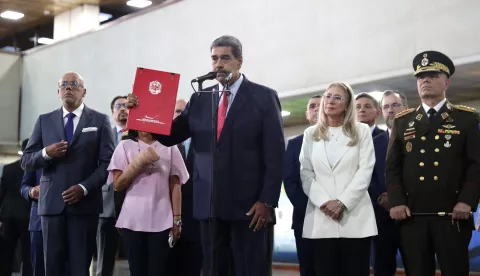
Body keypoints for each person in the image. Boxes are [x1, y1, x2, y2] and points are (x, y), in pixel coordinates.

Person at [127, 35, 285, 276]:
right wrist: (142, 110)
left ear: (239, 61)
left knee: (249, 270)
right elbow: (170, 135)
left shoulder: (263, 97)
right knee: (213, 270)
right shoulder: (201, 98)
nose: (218, 64)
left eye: (225, 58)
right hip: (209, 206)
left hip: (251, 208)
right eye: (214, 59)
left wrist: (267, 201)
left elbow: (275, 154)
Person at [386, 50, 480, 276]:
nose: (425, 80)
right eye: (420, 77)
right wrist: (396, 202)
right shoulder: (403, 121)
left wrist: (467, 201)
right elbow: (392, 167)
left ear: (446, 82)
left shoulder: (466, 118)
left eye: (433, 75)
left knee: (455, 270)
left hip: (453, 214)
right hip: (412, 216)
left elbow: (476, 164)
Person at [20, 72, 115, 276]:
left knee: (79, 268)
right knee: (51, 268)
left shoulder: (99, 120)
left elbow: (108, 164)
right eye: (64, 85)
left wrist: (84, 187)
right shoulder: (44, 121)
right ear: (58, 91)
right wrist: (46, 153)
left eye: (74, 84)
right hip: (51, 206)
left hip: (84, 206)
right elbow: (26, 161)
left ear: (84, 91)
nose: (68, 88)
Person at [299, 82, 377, 276]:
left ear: (347, 104)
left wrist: (342, 202)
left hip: (355, 217)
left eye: (337, 97)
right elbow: (306, 173)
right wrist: (325, 202)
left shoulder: (362, 131)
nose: (330, 101)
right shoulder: (310, 133)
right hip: (321, 217)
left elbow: (365, 170)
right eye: (328, 96)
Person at [108, 130, 188, 276]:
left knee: (158, 270)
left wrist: (177, 219)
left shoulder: (170, 146)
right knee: (137, 270)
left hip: (162, 220)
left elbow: (175, 185)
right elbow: (118, 185)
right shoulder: (124, 146)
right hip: (132, 220)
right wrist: (140, 162)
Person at [369, 90, 408, 276]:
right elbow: (367, 176)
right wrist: (382, 196)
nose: (390, 110)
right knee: (382, 268)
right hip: (382, 218)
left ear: (406, 108)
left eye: (395, 105)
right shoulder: (372, 144)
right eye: (385, 107)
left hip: (413, 216)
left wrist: (399, 198)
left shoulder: (419, 139)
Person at [283, 95, 321, 276]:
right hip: (305, 218)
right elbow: (290, 181)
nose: (316, 109)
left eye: (320, 106)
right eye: (312, 106)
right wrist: (311, 210)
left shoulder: (344, 140)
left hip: (338, 218)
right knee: (308, 268)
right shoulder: (294, 143)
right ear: (307, 114)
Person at [167, 99, 203, 276]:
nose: (179, 117)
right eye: (176, 112)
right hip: (165, 219)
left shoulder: (203, 142)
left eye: (183, 113)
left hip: (196, 220)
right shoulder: (162, 145)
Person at [96, 95, 129, 276]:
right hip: (106, 203)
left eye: (126, 106)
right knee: (104, 257)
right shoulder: (103, 134)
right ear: (112, 112)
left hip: (134, 201)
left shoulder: (141, 135)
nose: (123, 109)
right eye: (118, 106)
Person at [0, 139, 32, 276]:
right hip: (28, 216)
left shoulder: (8, 169)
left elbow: (1, 193)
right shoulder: (36, 170)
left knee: (6, 252)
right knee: (28, 254)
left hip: (8, 216)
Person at [19, 167, 44, 276]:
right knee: (39, 268)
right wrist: (30, 191)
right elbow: (23, 187)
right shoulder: (35, 156)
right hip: (39, 222)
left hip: (71, 219)